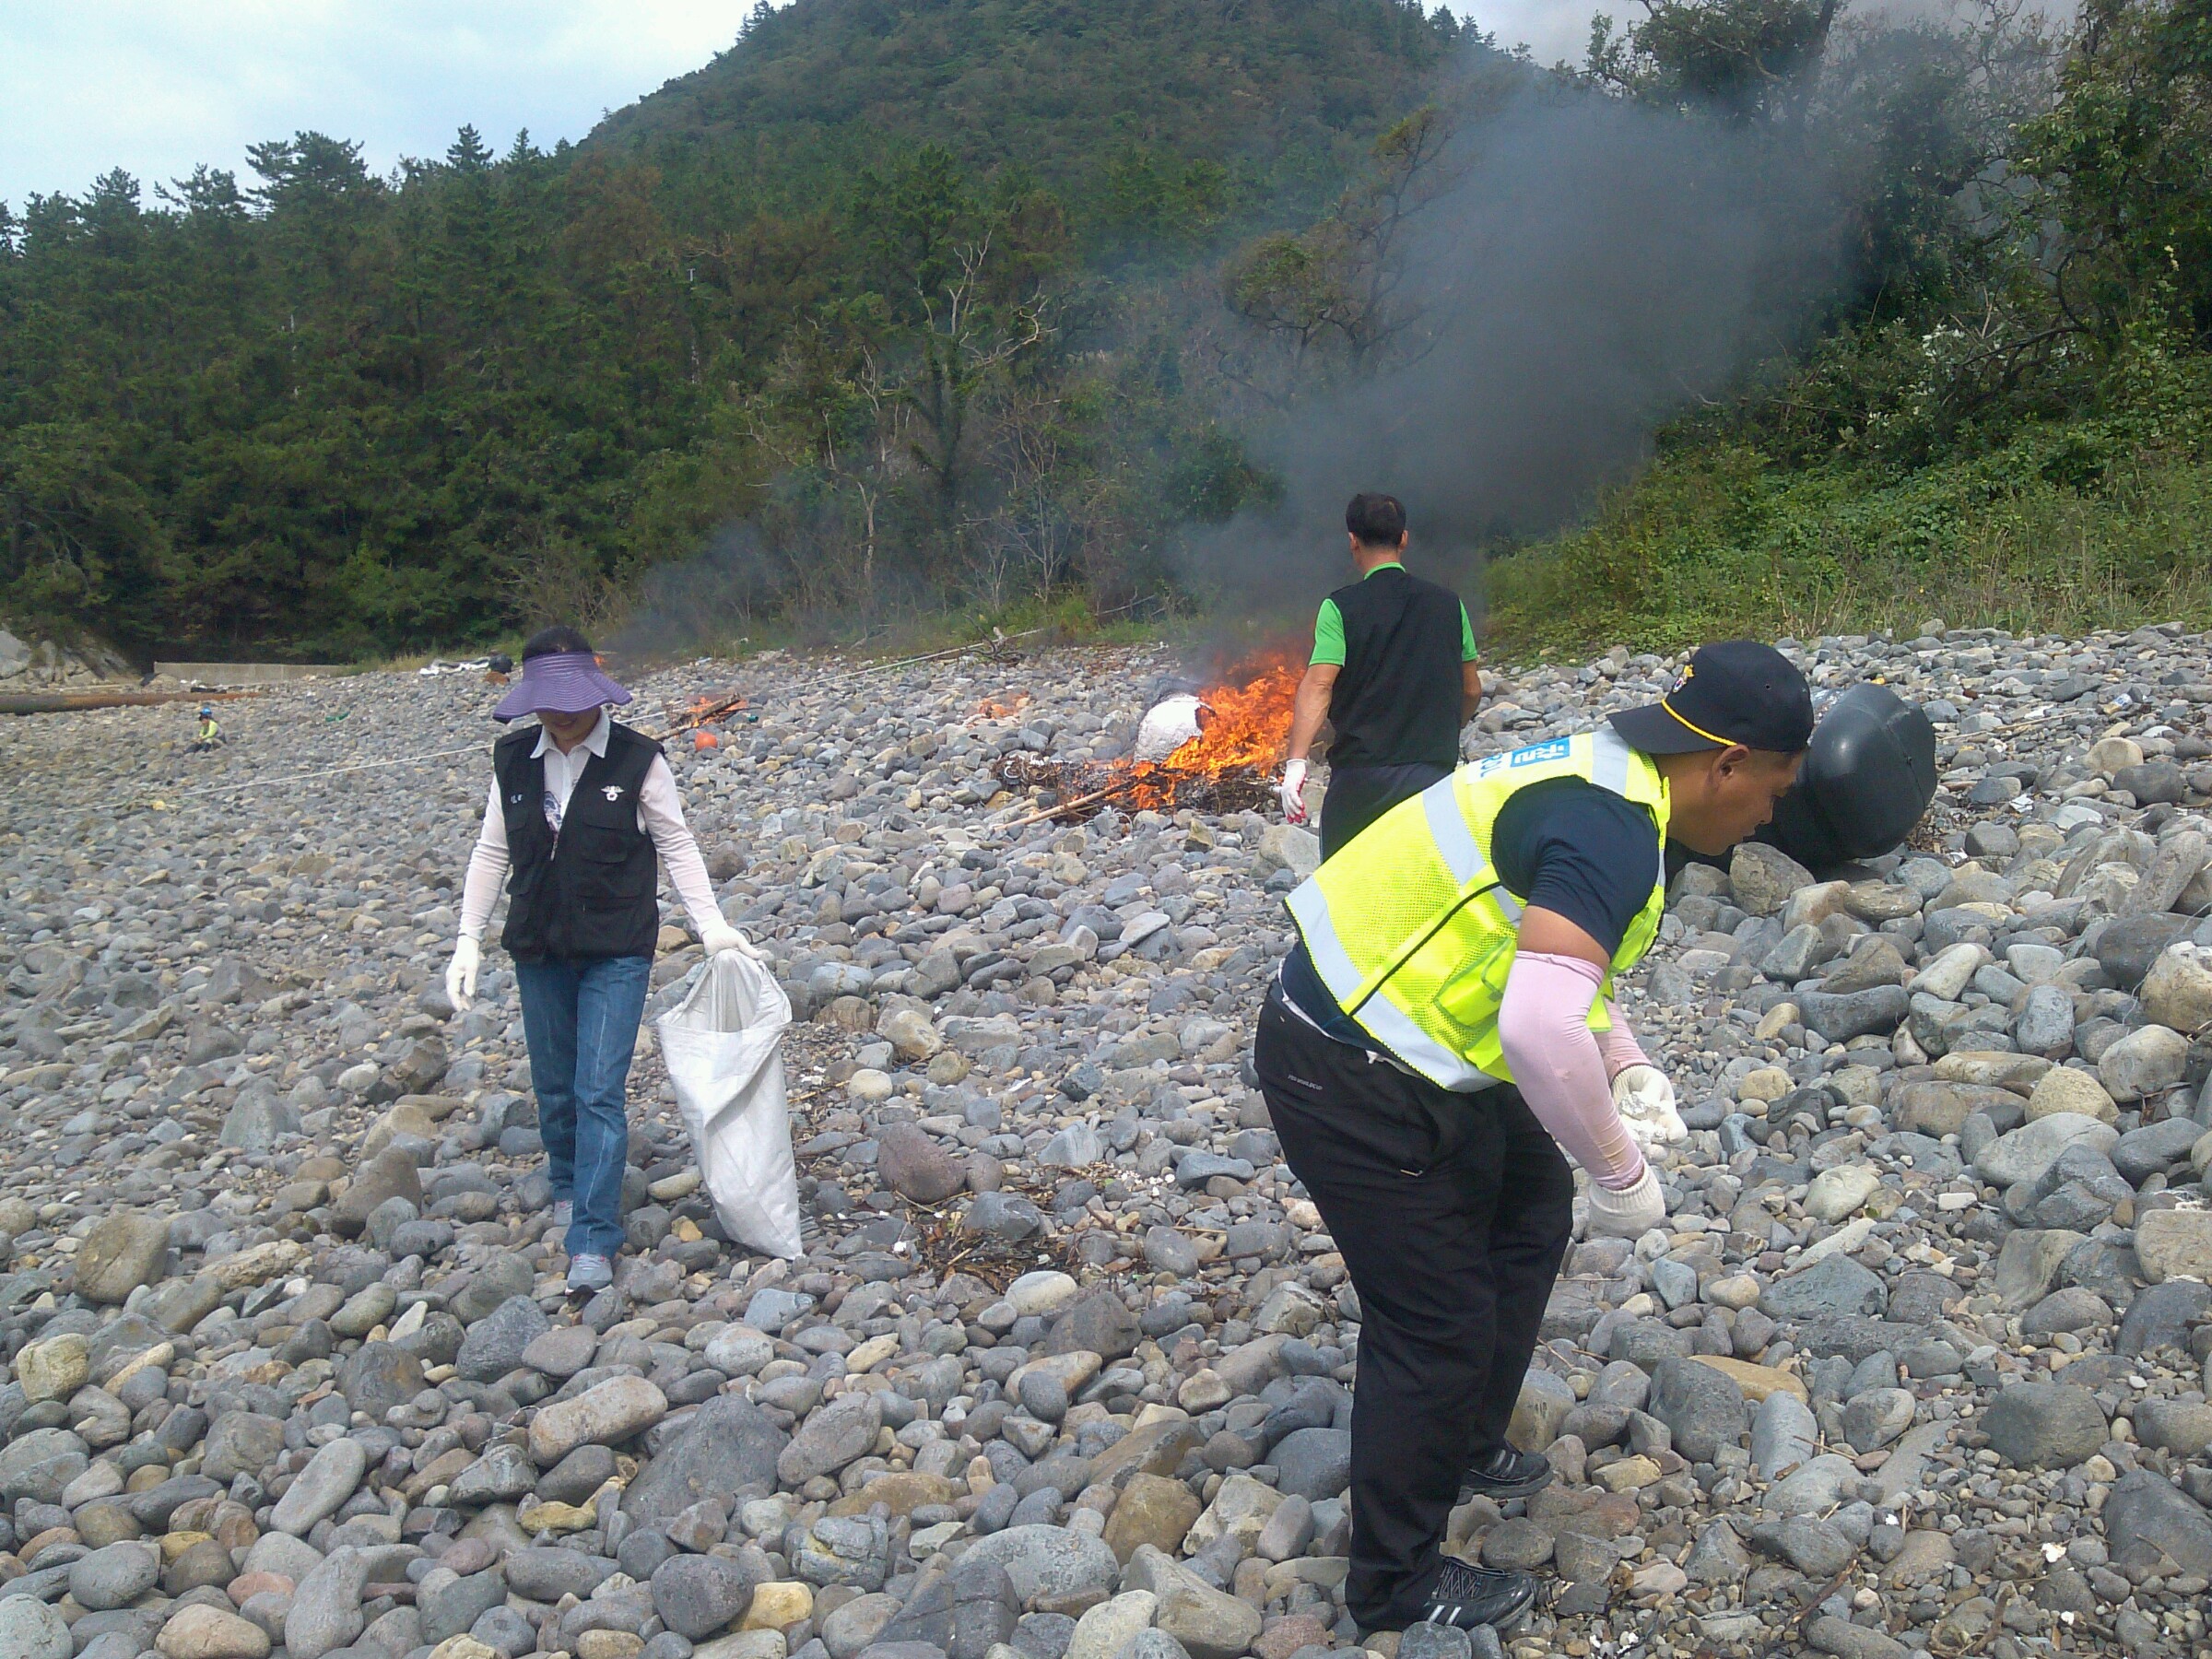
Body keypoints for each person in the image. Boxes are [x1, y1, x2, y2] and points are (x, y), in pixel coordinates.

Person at [1253, 641, 1814, 1635]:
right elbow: (1539, 1025)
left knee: (1526, 1208)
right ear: (1727, 762)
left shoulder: (1615, 772)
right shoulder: (1613, 823)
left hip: (1414, 1039)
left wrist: (1627, 1059)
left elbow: (1559, 958)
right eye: (1776, 785)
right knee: (1436, 1322)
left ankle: (1459, 1438)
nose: (1772, 811)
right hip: (1343, 1057)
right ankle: (1393, 1584)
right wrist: (1620, 1171)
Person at [443, 626, 760, 1294]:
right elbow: (491, 851)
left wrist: (712, 927)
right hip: (539, 945)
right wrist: (468, 936)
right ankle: (566, 1178)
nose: (560, 712)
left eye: (572, 697)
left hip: (617, 947)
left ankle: (592, 1235)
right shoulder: (512, 761)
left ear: (596, 692)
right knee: (554, 1086)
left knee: (597, 1090)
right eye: (547, 699)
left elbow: (677, 846)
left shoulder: (639, 760)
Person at [1280, 494, 1483, 858]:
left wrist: (1296, 763)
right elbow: (1470, 689)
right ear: (1404, 539)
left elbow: (1320, 684)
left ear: (1352, 540)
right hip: (1432, 777)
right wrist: (1445, 729)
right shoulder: (1449, 604)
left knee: (1348, 898)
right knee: (1429, 890)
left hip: (1361, 783)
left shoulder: (1339, 607)